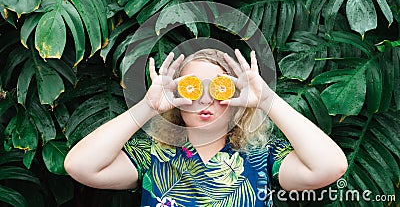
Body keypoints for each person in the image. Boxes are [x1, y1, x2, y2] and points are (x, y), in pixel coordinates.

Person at [64, 49, 348, 206]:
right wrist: (147, 107)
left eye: (219, 88)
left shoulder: (262, 156)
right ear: (176, 99)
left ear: (235, 97)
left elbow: (330, 166)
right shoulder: (153, 155)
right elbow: (80, 165)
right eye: (192, 88)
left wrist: (266, 100)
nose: (205, 99)